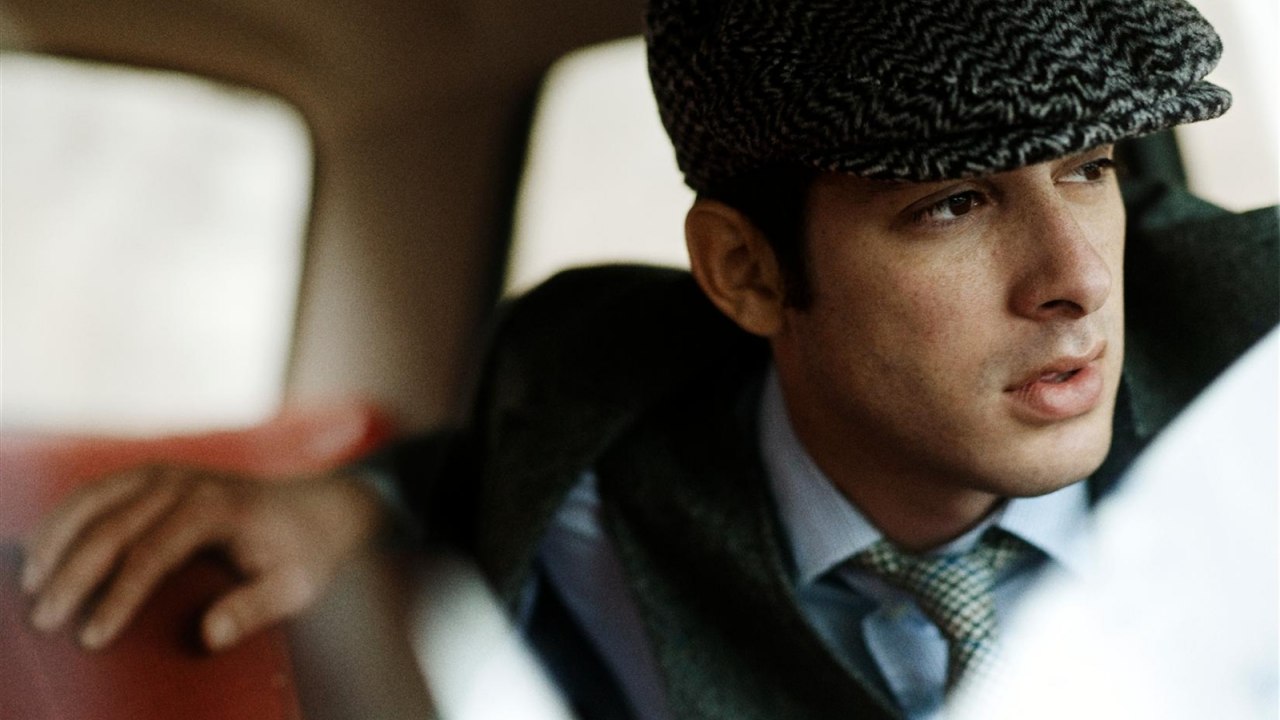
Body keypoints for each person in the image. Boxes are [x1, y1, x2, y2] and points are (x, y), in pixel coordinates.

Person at [20, 0, 1279, 718]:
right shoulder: (583, 395)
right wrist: (346, 504)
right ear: (744, 271)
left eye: (1088, 169)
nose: (1076, 278)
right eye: (950, 202)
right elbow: (467, 475)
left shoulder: (1246, 352)